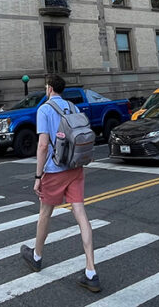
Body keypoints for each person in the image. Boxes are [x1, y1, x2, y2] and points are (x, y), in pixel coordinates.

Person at [19, 75, 100, 293]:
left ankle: (36, 256)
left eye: (46, 86)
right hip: (75, 166)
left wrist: (37, 176)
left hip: (55, 170)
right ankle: (91, 271)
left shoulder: (44, 109)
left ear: (49, 88)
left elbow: (43, 146)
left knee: (45, 213)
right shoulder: (73, 106)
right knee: (81, 214)